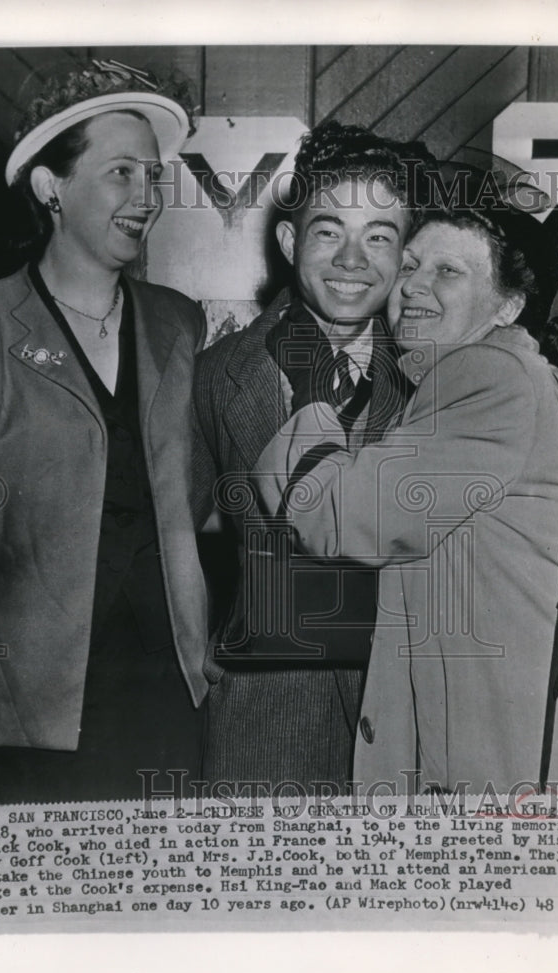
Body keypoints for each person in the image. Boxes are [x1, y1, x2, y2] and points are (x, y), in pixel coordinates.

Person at [0, 61, 210, 804]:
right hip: (23, 716)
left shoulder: (177, 321)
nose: (144, 198)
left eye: (152, 177)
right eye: (120, 172)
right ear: (49, 186)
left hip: (165, 694)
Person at [253, 202, 558, 793]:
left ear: (508, 305)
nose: (413, 286)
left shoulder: (489, 373)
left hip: (493, 763)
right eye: (410, 265)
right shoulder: (500, 376)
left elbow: (340, 515)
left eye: (448, 272)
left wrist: (310, 384)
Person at [193, 121, 434, 793]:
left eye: (379, 237)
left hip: (405, 727)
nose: (352, 258)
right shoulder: (216, 376)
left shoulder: (442, 379)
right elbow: (163, 531)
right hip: (266, 727)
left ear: (406, 257)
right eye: (330, 232)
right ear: (290, 240)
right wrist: (194, 644)